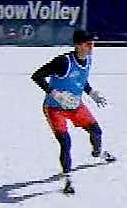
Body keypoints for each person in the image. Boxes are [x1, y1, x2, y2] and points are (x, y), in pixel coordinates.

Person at [29, 29, 107, 195]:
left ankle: (98, 152)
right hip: (54, 108)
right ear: (78, 45)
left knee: (96, 131)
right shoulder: (63, 62)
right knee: (66, 142)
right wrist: (55, 94)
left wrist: (91, 92)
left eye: (93, 43)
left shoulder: (88, 59)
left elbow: (80, 79)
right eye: (88, 44)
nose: (92, 46)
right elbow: (37, 76)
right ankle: (67, 177)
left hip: (75, 105)